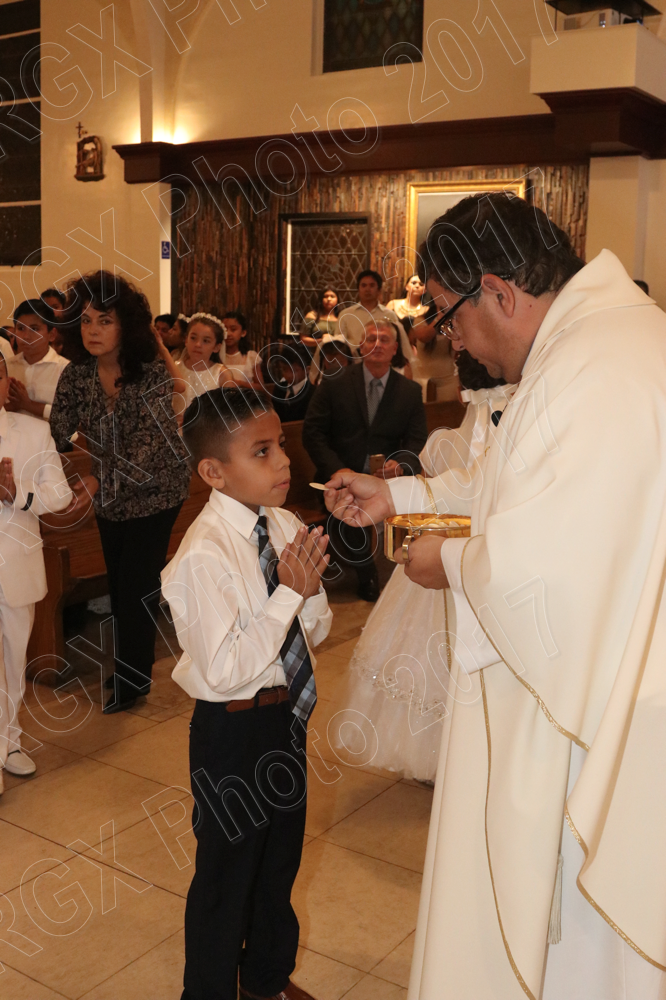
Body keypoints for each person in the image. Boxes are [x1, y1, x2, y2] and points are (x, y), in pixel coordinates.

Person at [325, 193, 666, 999]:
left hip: (585, 708)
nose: (455, 342)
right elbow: (517, 485)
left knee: (575, 934)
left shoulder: (594, 367)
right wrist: (402, 498)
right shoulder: (604, 340)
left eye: (449, 317)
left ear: (499, 294)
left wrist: (448, 560)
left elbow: (555, 569)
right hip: (616, 678)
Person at [161, 386, 331, 1000]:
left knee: (278, 860)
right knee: (226, 876)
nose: (283, 461)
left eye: (280, 444)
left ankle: (264, 979)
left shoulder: (281, 522)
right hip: (231, 731)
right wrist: (288, 594)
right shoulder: (202, 554)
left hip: (285, 717)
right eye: (262, 451)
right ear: (214, 472)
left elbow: (314, 630)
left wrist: (306, 595)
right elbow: (227, 667)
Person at [337, 351, 511, 782]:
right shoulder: (475, 426)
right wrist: (398, 488)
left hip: (470, 555)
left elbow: (472, 484)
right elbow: (469, 484)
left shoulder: (466, 431)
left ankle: (457, 754)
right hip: (452, 552)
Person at [50, 270, 191, 715]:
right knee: (118, 583)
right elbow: (57, 432)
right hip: (111, 498)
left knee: (136, 585)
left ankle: (132, 681)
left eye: (104, 320)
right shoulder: (76, 375)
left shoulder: (150, 376)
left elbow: (148, 448)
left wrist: (95, 479)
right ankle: (131, 668)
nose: (92, 330)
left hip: (157, 491)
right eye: (85, 320)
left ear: (125, 325)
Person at [0, 354, 82, 792]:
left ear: (6, 382)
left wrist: (19, 492)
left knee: (14, 661)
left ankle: (9, 740)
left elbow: (60, 495)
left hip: (15, 565)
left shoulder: (32, 432)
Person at [304, 320, 427, 602]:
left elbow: (417, 440)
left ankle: (405, 571)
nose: (377, 345)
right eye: (371, 339)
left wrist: (401, 464)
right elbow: (312, 432)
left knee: (412, 499)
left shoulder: (409, 390)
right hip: (338, 474)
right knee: (349, 498)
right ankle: (367, 574)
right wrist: (337, 469)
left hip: (386, 477)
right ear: (361, 346)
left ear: (395, 349)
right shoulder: (335, 382)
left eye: (385, 340)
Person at [6, 299, 69, 421]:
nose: (26, 336)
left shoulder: (65, 369)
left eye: (34, 329)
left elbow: (73, 417)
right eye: (20, 328)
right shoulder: (7, 367)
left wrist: (28, 405)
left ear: (52, 334)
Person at [338, 269, 412, 361]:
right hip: (353, 364)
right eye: (363, 285)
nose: (367, 289)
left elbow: (398, 342)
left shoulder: (389, 315)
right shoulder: (346, 315)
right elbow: (339, 344)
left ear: (379, 289)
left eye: (372, 285)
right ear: (358, 289)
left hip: (382, 364)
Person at [174, 313, 229, 416]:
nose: (198, 344)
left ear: (216, 347)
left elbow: (230, 411)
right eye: (193, 338)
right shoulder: (175, 369)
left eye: (206, 341)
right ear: (186, 340)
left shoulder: (221, 374)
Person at [271, 342, 316, 422]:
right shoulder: (279, 388)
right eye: (284, 369)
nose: (288, 375)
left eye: (293, 371)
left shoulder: (312, 394)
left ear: (307, 370)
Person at [221, 310, 261, 387]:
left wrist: (239, 383)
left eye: (233, 329)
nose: (228, 334)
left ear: (243, 333)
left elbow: (261, 388)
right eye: (225, 330)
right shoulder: (216, 356)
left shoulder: (250, 356)